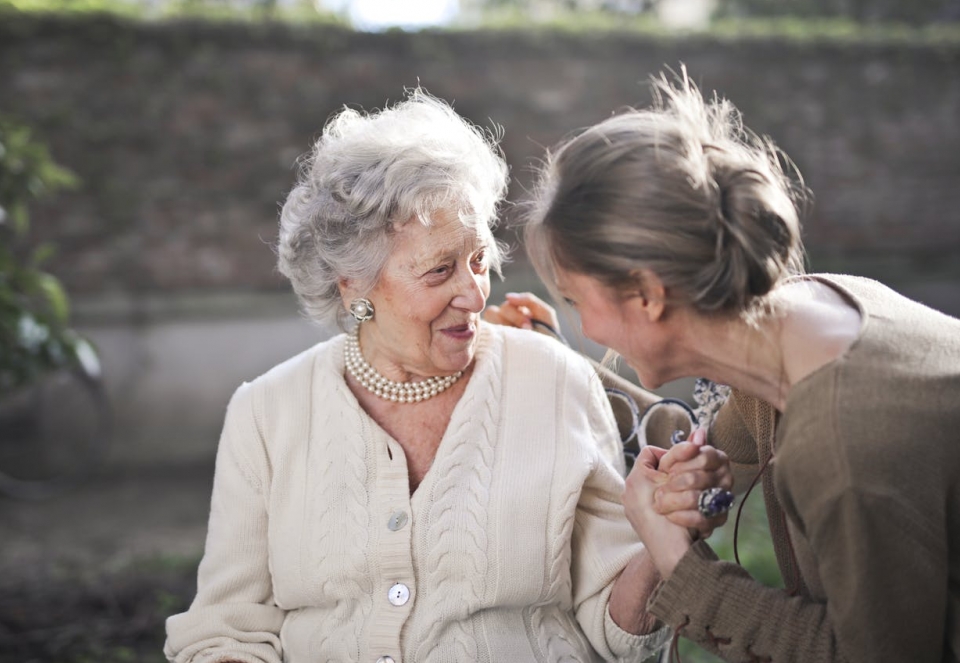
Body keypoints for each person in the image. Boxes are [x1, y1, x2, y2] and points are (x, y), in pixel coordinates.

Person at [163, 89, 732, 663]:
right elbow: (226, 627)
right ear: (352, 284)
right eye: (440, 271)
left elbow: (617, 633)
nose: (474, 291)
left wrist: (661, 534)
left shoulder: (554, 380)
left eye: (479, 260)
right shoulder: (266, 412)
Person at [522, 68, 960, 662]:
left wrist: (678, 563)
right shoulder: (813, 311)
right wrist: (541, 350)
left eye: (576, 302)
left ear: (647, 295)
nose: (588, 328)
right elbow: (711, 447)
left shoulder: (843, 443)